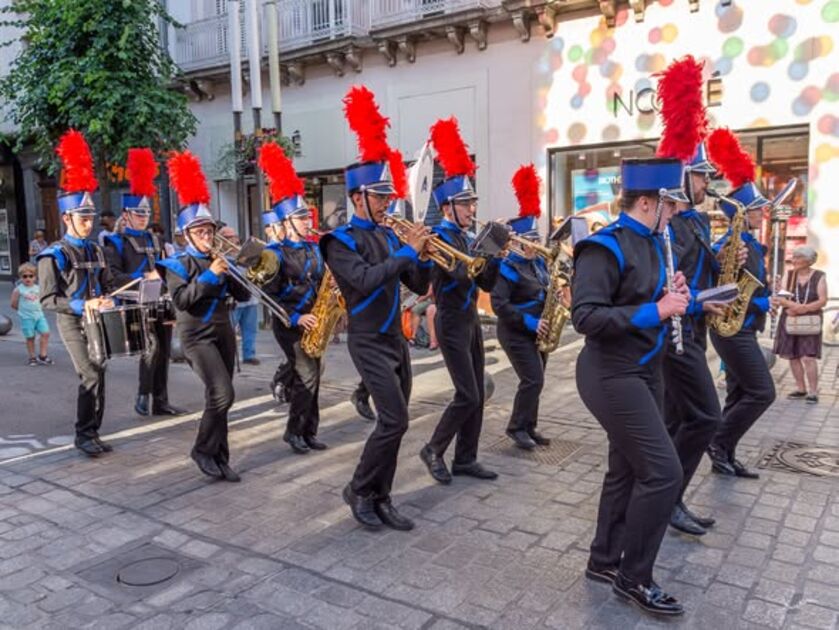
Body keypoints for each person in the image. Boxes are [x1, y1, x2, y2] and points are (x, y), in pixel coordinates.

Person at [573, 157, 690, 616]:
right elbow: (587, 317)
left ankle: (604, 560)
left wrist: (686, 298)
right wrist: (656, 310)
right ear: (647, 202)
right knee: (664, 473)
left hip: (643, 371)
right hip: (609, 374)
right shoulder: (605, 247)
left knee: (625, 470)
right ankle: (633, 578)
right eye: (671, 204)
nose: (676, 212)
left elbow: (656, 301)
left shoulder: (655, 242)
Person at [321, 86, 431, 531]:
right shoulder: (339, 241)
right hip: (366, 339)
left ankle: (381, 495)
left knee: (398, 423)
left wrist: (424, 255)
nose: (388, 204)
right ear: (358, 197)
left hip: (395, 338)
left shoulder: (390, 236)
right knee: (393, 418)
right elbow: (365, 282)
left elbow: (415, 283)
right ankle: (358, 489)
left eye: (388, 197)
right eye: (380, 197)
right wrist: (406, 252)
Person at [652, 57, 723, 537]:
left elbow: (703, 268)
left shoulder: (695, 220)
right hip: (676, 334)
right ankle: (666, 496)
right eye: (699, 175)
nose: (705, 182)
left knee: (681, 417)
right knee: (705, 416)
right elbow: (665, 283)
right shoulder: (670, 223)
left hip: (694, 329)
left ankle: (666, 498)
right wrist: (699, 300)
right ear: (681, 177)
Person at [158, 150, 250, 482]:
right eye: (199, 231)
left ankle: (220, 456)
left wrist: (238, 274)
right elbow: (183, 300)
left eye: (209, 230)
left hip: (224, 329)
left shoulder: (221, 256)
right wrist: (212, 274)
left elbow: (243, 297)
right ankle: (202, 449)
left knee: (220, 398)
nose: (207, 236)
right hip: (196, 336)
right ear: (186, 234)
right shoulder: (176, 264)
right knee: (222, 393)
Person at [419, 117, 500, 485]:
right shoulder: (439, 237)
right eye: (466, 204)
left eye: (473, 202)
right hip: (451, 319)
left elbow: (485, 280)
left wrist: (496, 252)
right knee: (467, 393)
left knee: (478, 391)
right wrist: (479, 253)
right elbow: (456, 275)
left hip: (470, 318)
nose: (472, 209)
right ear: (448, 207)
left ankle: (466, 457)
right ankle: (434, 449)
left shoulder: (468, 238)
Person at [37, 130, 115, 457]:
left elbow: (108, 282)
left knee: (102, 371)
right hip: (72, 320)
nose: (88, 222)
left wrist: (111, 297)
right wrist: (82, 304)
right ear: (67, 218)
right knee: (89, 373)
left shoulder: (96, 248)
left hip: (98, 318)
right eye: (83, 218)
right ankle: (82, 435)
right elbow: (47, 300)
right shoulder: (52, 254)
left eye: (91, 217)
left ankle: (93, 431)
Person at [704, 128, 776, 480]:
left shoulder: (751, 241)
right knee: (763, 392)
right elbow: (719, 283)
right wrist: (764, 300)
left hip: (742, 327)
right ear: (744, 212)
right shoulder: (730, 242)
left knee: (739, 393)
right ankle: (718, 441)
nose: (764, 215)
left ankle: (725, 454)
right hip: (732, 329)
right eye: (759, 210)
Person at [103, 148, 184, 418]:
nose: (143, 218)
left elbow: (164, 269)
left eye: (146, 214)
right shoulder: (114, 242)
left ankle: (161, 401)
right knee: (152, 349)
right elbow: (113, 277)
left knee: (164, 353)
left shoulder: (155, 239)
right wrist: (142, 279)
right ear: (125, 215)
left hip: (160, 301)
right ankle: (143, 394)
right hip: (135, 302)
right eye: (138, 214)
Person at [257, 140, 326, 454]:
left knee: (316, 374)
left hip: (316, 320)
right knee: (306, 375)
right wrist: (297, 317)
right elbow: (266, 296)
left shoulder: (314, 248)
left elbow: (323, 282)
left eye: (307, 216)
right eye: (301, 218)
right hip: (290, 322)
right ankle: (293, 432)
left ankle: (309, 431)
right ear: (286, 222)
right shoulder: (274, 253)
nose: (307, 221)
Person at [490, 165, 551, 451]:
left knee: (537, 380)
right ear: (520, 242)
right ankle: (515, 427)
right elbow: (499, 304)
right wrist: (530, 322)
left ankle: (530, 425)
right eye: (532, 242)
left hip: (540, 328)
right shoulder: (508, 266)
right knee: (532, 379)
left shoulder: (539, 263)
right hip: (516, 331)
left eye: (537, 242)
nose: (536, 247)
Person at [772, 245, 827, 403]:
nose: (793, 260)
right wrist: (793, 307)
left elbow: (822, 300)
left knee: (808, 357)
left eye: (798, 257)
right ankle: (800, 388)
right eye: (794, 257)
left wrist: (802, 308)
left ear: (808, 260)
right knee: (793, 356)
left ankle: (813, 391)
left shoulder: (819, 276)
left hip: (809, 321)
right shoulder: (789, 276)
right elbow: (781, 298)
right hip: (790, 319)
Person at [218, 226, 260, 366]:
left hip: (251, 296)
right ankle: (226, 354)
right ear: (221, 238)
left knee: (250, 329)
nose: (233, 240)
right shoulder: (219, 255)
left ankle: (249, 354)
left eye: (234, 236)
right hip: (233, 299)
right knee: (229, 330)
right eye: (229, 237)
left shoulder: (243, 251)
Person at [10, 262, 53, 366]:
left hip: (39, 316)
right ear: (21, 277)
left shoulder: (38, 288)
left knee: (45, 333)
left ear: (35, 277)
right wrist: (23, 311)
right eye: (25, 276)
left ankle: (43, 355)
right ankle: (32, 357)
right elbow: (13, 303)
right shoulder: (19, 289)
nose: (28, 278)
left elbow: (42, 300)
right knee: (30, 337)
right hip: (27, 317)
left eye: (31, 276)